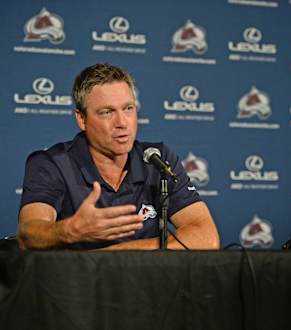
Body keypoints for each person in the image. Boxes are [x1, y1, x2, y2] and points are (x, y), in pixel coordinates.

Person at [17, 63, 220, 250]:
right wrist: (69, 230)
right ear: (81, 119)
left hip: (149, 285)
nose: (122, 122)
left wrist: (122, 254)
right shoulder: (52, 164)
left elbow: (206, 237)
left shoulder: (156, 159)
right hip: (79, 286)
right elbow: (28, 234)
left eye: (128, 108)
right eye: (107, 112)